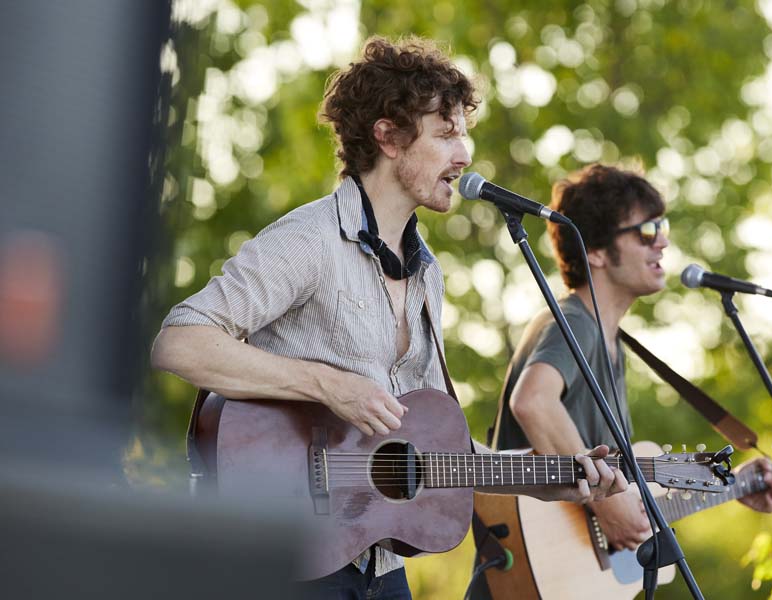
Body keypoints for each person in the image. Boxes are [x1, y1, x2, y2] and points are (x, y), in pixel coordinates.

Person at [150, 37, 627, 599]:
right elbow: (178, 341)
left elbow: (432, 444)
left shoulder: (429, 276)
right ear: (389, 136)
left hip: (378, 568)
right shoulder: (311, 240)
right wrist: (329, 386)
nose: (465, 153)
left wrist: (552, 479)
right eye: (446, 133)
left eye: (463, 133)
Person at [480, 163, 772, 591]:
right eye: (645, 230)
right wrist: (606, 501)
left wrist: (734, 485)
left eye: (661, 226)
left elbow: (627, 481)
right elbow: (533, 401)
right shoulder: (574, 321)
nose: (662, 240)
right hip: (530, 569)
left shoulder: (610, 343)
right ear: (597, 252)